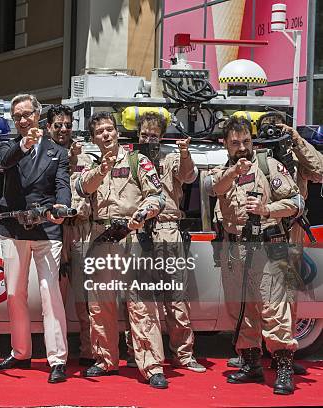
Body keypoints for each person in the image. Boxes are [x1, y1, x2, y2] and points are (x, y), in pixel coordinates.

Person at [204, 116, 303, 395]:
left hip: (268, 246)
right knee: (242, 311)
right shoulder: (222, 172)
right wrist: (234, 171)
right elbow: (213, 188)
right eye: (235, 143)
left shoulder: (268, 166)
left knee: (275, 309)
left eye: (246, 141)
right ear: (225, 144)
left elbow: (297, 203)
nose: (242, 147)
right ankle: (251, 364)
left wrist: (266, 208)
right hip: (235, 250)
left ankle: (283, 368)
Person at [75, 112, 167, 388]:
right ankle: (104, 360)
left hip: (132, 236)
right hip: (100, 238)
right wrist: (102, 168)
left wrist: (142, 213)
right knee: (99, 305)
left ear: (117, 133)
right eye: (100, 131)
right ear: (93, 138)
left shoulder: (138, 160)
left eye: (109, 129)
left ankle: (152, 366)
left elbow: (157, 196)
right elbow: (81, 188)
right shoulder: (90, 165)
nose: (105, 134)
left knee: (141, 305)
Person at [226, 115, 322, 375]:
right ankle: (253, 356)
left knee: (281, 303)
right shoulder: (240, 163)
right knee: (248, 304)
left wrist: (295, 139)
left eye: (276, 127)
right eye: (266, 128)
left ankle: (282, 359)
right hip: (251, 241)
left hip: (287, 234)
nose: (271, 133)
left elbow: (319, 170)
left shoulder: (288, 158)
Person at [0, 94, 71, 384]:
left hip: (47, 229)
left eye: (27, 114)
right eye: (18, 116)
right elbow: (4, 160)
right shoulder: (8, 146)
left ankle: (57, 359)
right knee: (14, 293)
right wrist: (24, 145)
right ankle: (21, 352)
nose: (23, 120)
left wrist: (62, 207)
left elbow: (62, 185)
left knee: (50, 295)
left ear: (39, 115)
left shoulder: (58, 152)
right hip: (13, 228)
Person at [131, 112, 206, 373]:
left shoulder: (172, 157)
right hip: (138, 231)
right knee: (141, 299)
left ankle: (184, 355)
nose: (148, 139)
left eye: (154, 135)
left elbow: (189, 177)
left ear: (161, 137)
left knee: (176, 296)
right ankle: (138, 352)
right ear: (137, 134)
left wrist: (185, 153)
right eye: (144, 134)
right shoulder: (130, 158)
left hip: (167, 229)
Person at [46, 104, 94, 366]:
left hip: (81, 230)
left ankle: (90, 350)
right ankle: (57, 355)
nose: (64, 129)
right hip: (53, 231)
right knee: (54, 296)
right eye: (58, 125)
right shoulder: (42, 155)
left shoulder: (86, 158)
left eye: (68, 124)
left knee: (86, 297)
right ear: (49, 127)